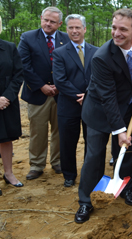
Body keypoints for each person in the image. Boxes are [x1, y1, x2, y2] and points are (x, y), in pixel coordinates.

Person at [75, 9, 132, 223]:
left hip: (126, 107)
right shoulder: (102, 57)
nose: (116, 33)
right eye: (114, 28)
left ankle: (126, 188)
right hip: (98, 111)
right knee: (94, 156)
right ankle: (86, 201)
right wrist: (120, 130)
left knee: (126, 151)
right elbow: (107, 98)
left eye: (123, 29)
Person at [18, 6, 70, 180]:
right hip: (37, 94)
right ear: (41, 18)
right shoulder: (28, 37)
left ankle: (58, 162)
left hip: (60, 94)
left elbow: (70, 64)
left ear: (60, 23)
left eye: (52, 21)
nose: (48, 24)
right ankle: (37, 164)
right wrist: (41, 86)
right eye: (45, 20)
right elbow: (24, 66)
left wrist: (59, 85)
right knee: (38, 131)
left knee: (59, 130)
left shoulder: (66, 38)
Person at [52, 14, 98, 187]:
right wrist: (78, 97)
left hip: (91, 104)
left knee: (91, 141)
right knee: (67, 142)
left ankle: (89, 173)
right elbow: (60, 80)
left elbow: (99, 78)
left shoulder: (96, 51)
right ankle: (69, 175)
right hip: (68, 105)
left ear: (85, 29)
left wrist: (88, 95)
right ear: (66, 29)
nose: (74, 31)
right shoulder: (59, 53)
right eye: (71, 27)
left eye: (78, 27)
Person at [0, 9, 25, 196]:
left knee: (6, 139)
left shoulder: (10, 47)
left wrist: (7, 98)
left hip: (8, 102)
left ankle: (9, 174)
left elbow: (18, 74)